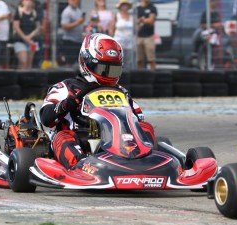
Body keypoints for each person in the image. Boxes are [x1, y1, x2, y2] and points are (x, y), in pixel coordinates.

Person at [39, 33, 155, 169]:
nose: (107, 74)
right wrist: (65, 105)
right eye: (103, 68)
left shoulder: (121, 91)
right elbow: (46, 118)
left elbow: (138, 119)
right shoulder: (66, 87)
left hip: (116, 140)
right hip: (79, 140)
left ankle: (145, 160)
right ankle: (81, 167)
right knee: (62, 137)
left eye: (113, 70)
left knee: (146, 128)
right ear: (86, 61)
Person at [13, 0, 40, 69]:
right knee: (23, 61)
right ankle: (20, 77)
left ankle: (28, 78)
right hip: (20, 41)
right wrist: (26, 38)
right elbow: (16, 27)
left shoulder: (34, 13)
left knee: (29, 62)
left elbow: (37, 28)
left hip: (32, 42)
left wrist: (30, 37)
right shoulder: (18, 12)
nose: (29, 2)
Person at [60, 0, 85, 67]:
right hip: (69, 41)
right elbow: (64, 26)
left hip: (78, 41)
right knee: (69, 63)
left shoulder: (79, 11)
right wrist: (77, 22)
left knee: (80, 62)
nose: (75, 2)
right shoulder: (67, 12)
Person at [113, 0, 134, 70]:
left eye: (126, 5)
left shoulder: (132, 17)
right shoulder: (116, 15)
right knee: (119, 59)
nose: (125, 7)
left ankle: (127, 77)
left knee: (128, 60)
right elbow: (112, 28)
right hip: (119, 40)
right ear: (120, 6)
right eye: (123, 5)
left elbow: (135, 28)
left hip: (129, 41)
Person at [136, 0, 157, 70]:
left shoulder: (152, 8)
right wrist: (142, 20)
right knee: (139, 60)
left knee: (151, 59)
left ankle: (153, 75)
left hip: (149, 36)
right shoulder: (137, 9)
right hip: (138, 37)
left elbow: (151, 21)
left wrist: (141, 20)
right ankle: (140, 76)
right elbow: (134, 21)